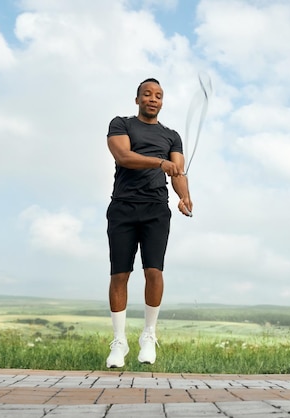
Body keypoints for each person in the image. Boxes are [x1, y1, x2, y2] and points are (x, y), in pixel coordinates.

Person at [105, 78, 192, 368]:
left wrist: (184, 197)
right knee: (120, 275)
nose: (153, 99)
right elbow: (124, 156)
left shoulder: (172, 136)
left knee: (154, 271)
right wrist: (159, 163)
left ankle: (148, 335)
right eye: (147, 94)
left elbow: (177, 172)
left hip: (156, 209)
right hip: (123, 207)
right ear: (137, 99)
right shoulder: (121, 124)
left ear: (162, 102)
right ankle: (119, 342)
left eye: (158, 96)